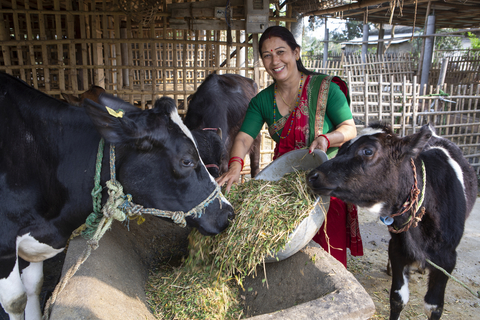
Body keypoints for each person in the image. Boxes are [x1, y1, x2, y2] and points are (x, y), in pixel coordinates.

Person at [216, 26, 363, 267]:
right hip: (286, 183)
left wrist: (326, 139)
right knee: (284, 251)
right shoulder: (262, 101)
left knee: (326, 256)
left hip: (328, 181)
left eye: (281, 52)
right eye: (267, 55)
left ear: (296, 52)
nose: (275, 61)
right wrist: (234, 166)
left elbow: (349, 128)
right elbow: (244, 137)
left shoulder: (325, 89)